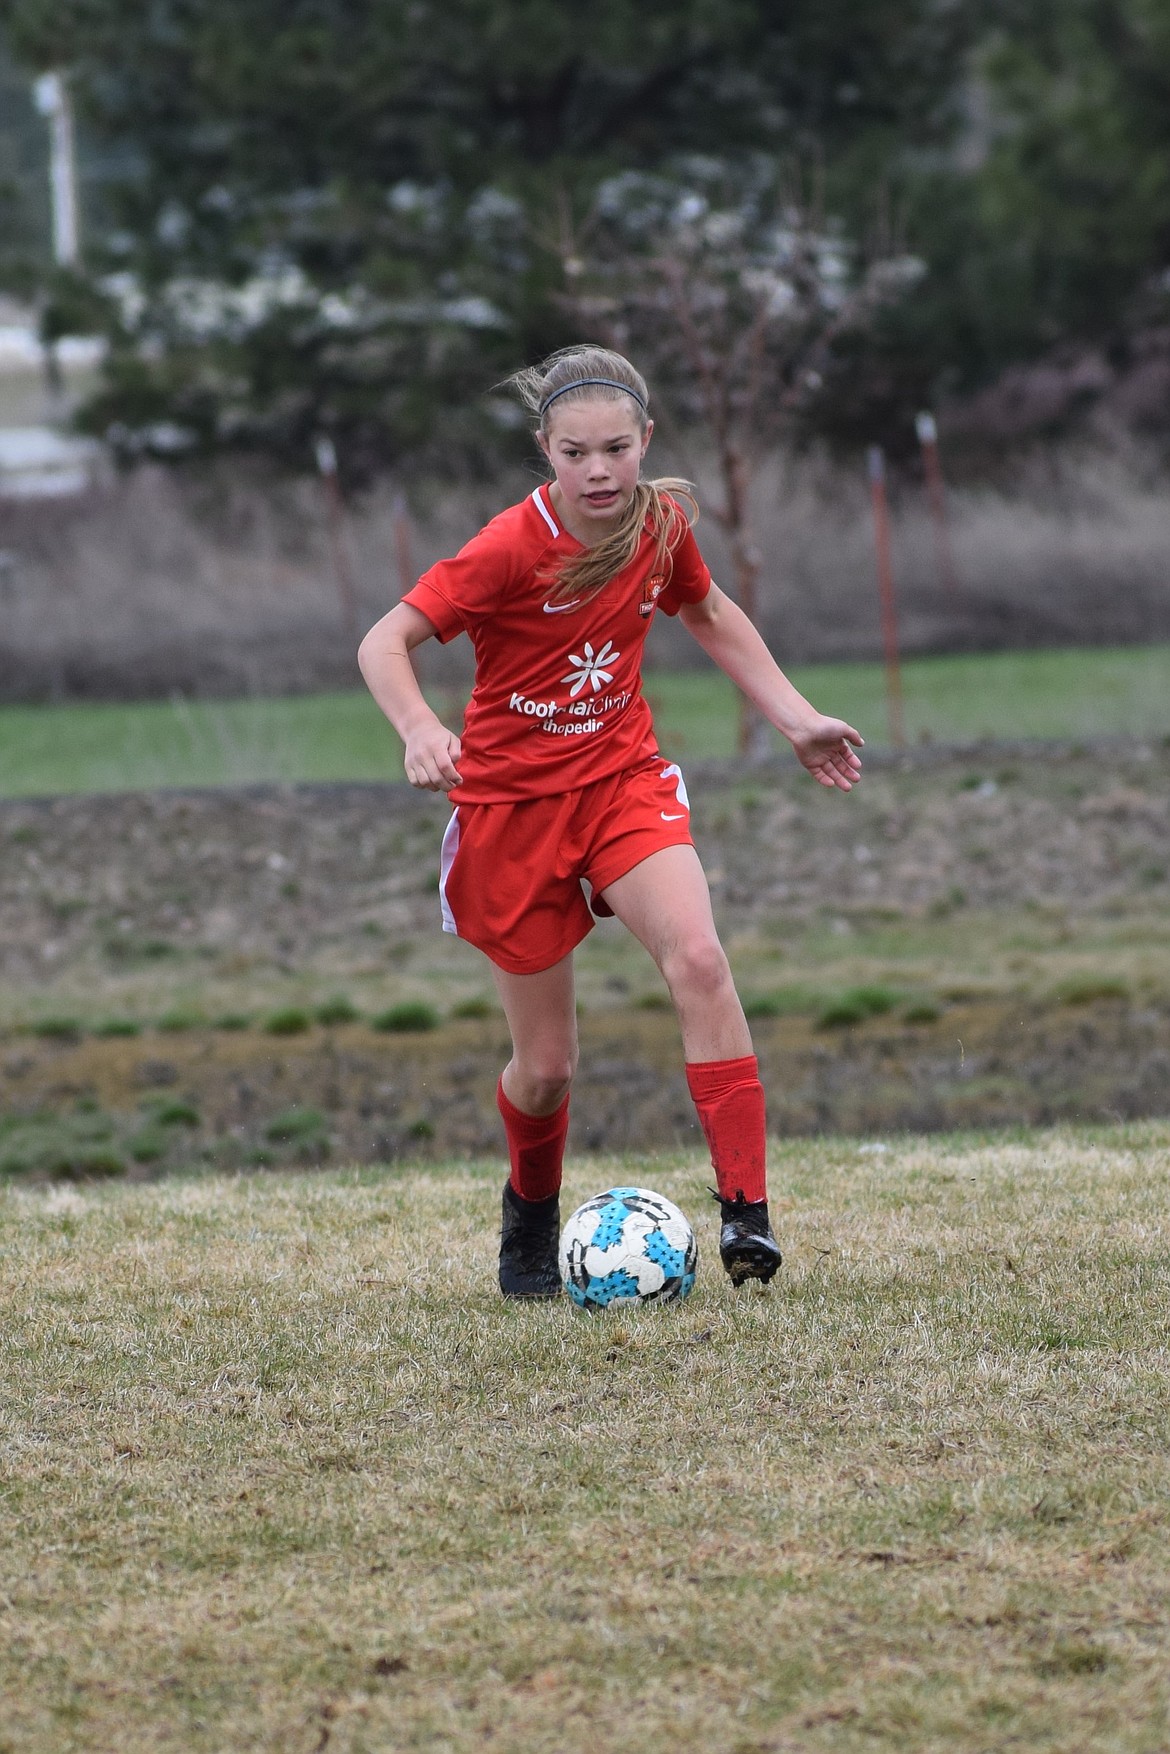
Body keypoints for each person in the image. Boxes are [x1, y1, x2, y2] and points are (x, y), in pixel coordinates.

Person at [358, 345, 863, 1299]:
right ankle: (529, 1218)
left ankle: (746, 1217)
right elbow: (384, 640)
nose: (599, 471)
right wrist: (420, 728)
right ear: (545, 450)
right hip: (511, 812)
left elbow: (708, 612)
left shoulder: (660, 524)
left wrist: (796, 719)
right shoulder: (508, 546)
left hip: (623, 785)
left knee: (701, 961)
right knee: (546, 1069)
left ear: (647, 443)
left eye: (617, 449)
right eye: (576, 452)